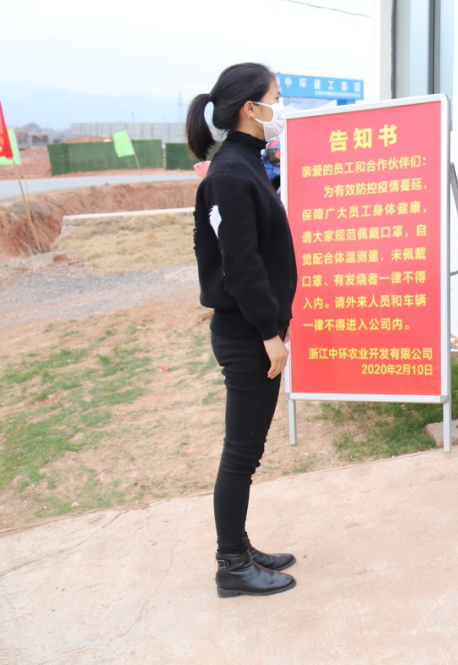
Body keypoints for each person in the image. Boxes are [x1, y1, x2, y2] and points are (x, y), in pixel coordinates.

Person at [185, 63, 298, 597]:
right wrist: (269, 334)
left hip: (255, 330)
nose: (282, 106)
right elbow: (241, 265)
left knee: (247, 451)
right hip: (247, 335)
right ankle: (231, 564)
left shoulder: (245, 163)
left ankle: (240, 546)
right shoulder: (230, 173)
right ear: (251, 108)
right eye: (276, 96)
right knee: (241, 454)